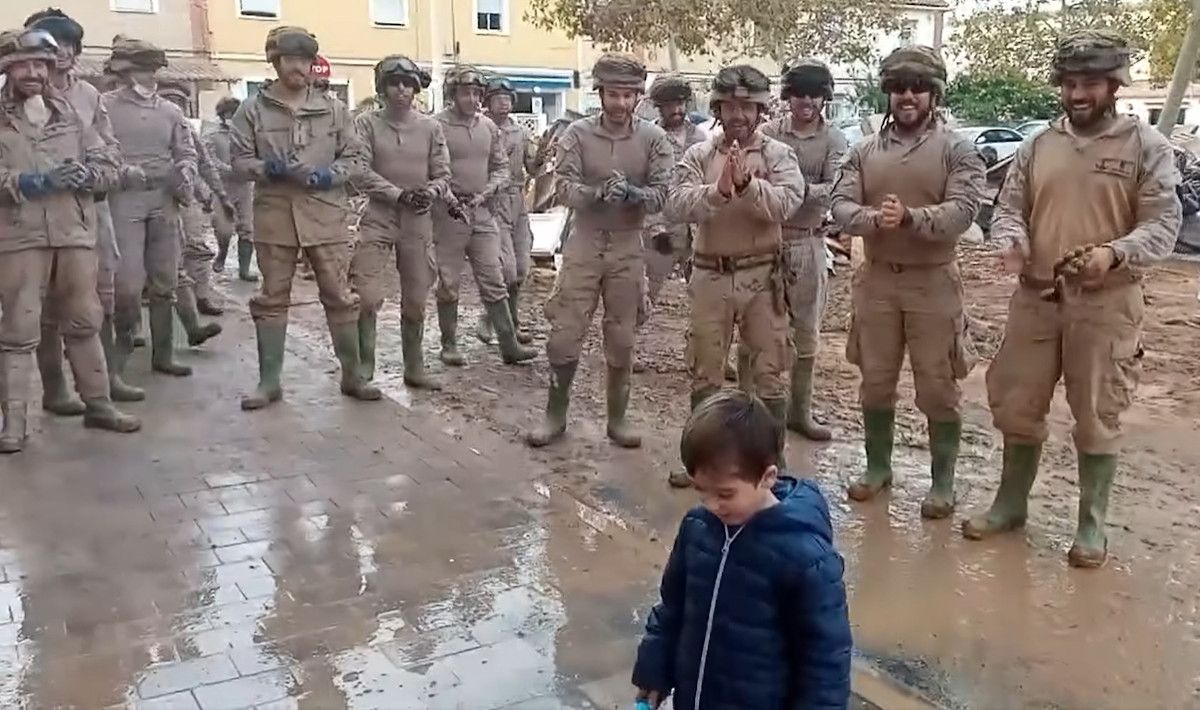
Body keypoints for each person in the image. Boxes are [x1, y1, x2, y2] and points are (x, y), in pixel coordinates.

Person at [963, 30, 1181, 568]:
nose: (1078, 94)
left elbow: (1163, 224)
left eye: (1091, 84)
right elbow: (1010, 207)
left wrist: (1114, 253)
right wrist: (1010, 241)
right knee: (1016, 405)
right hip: (1037, 298)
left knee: (1096, 412)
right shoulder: (1040, 144)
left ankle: (1091, 524)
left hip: (1105, 305)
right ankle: (1011, 505)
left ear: (1115, 86)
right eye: (1070, 84)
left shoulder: (1146, 146)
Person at [830, 46, 985, 519]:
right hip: (876, 281)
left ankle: (943, 482)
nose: (907, 95)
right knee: (875, 383)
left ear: (933, 93)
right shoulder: (864, 150)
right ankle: (879, 468)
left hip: (932, 284)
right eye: (898, 87)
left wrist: (912, 218)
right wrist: (875, 219)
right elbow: (839, 206)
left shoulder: (956, 149)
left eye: (917, 86)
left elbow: (965, 211)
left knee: (937, 386)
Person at [631, 390, 851, 709]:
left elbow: (826, 660)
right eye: (701, 492)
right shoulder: (697, 527)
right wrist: (654, 671)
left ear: (767, 477)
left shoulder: (806, 557)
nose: (712, 505)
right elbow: (673, 607)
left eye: (725, 493)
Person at [0, 27, 141, 452]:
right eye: (22, 65)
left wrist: (91, 174)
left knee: (84, 320)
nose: (33, 73)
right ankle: (14, 423)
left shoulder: (72, 116)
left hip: (75, 232)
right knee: (19, 327)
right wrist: (30, 181)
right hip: (18, 236)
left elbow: (110, 160)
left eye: (40, 64)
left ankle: (98, 404)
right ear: (7, 69)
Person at [665, 65, 805, 486]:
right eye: (730, 105)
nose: (739, 114)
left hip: (762, 276)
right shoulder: (698, 156)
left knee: (769, 370)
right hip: (710, 274)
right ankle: (701, 462)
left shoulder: (779, 155)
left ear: (761, 109)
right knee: (706, 369)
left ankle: (770, 464)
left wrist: (748, 186)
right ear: (718, 108)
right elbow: (676, 203)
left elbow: (787, 204)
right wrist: (719, 191)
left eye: (748, 106)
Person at [525, 53, 673, 449]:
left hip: (628, 244)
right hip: (584, 243)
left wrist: (633, 194)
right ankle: (555, 414)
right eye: (613, 94)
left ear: (638, 97)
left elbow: (663, 194)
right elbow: (561, 187)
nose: (621, 103)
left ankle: (618, 419)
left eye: (629, 95)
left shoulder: (653, 139)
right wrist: (595, 193)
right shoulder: (576, 134)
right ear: (600, 94)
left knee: (622, 336)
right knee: (565, 331)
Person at [229, 26, 380, 410]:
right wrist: (269, 169)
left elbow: (356, 158)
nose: (299, 67)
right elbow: (238, 161)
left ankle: (352, 375)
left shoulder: (333, 110)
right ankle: (269, 381)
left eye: (305, 60)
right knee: (271, 297)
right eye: (291, 59)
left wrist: (327, 175)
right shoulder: (252, 110)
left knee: (339, 295)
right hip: (275, 215)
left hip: (325, 215)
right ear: (275, 62)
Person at [758, 58, 847, 442]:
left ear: (824, 98)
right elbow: (755, 179)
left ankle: (800, 411)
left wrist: (793, 190)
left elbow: (838, 187)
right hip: (763, 237)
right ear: (788, 97)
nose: (806, 102)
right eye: (799, 94)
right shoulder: (768, 133)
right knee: (757, 325)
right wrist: (799, 190)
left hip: (808, 240)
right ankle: (755, 412)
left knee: (806, 329)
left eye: (813, 94)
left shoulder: (834, 139)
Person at [103, 35, 199, 384]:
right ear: (123, 71)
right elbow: (95, 151)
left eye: (153, 70)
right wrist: (121, 173)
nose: (148, 77)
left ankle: (164, 355)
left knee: (165, 283)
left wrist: (186, 170)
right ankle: (118, 358)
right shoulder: (104, 107)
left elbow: (186, 152)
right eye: (142, 70)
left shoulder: (171, 111)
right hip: (124, 197)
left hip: (164, 200)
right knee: (126, 285)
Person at [350, 55, 447, 390]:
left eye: (408, 84)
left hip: (417, 220)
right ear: (382, 88)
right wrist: (396, 194)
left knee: (417, 296)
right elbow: (359, 170)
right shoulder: (366, 124)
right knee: (365, 294)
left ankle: (415, 367)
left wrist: (430, 192)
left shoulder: (431, 127)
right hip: (378, 216)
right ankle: (364, 366)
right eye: (394, 83)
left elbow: (442, 174)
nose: (402, 90)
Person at [432, 64, 535, 367]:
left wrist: (486, 193)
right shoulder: (435, 126)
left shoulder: (488, 128)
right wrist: (450, 197)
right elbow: (431, 170)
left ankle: (508, 343)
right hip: (447, 214)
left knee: (495, 276)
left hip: (482, 211)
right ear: (453, 94)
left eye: (477, 93)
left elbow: (501, 167)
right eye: (466, 92)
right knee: (449, 281)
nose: (473, 99)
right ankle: (449, 344)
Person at [633, 74, 706, 374]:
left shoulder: (700, 139)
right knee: (646, 291)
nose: (675, 109)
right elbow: (643, 185)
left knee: (705, 296)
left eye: (679, 103)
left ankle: (702, 355)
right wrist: (653, 226)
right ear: (659, 108)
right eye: (668, 104)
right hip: (661, 227)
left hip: (695, 229)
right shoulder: (649, 139)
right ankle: (627, 346)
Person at [156, 80, 226, 351]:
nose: (175, 106)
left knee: (194, 250)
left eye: (179, 102)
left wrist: (215, 193)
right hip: (148, 200)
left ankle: (199, 305)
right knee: (143, 268)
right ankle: (132, 330)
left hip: (184, 199)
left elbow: (202, 163)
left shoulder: (186, 130)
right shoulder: (148, 123)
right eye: (169, 99)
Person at [477, 74, 537, 346]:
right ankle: (491, 318)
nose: (503, 103)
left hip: (517, 200)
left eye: (507, 98)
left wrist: (543, 156)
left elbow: (532, 168)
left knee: (522, 269)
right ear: (487, 101)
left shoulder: (520, 132)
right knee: (507, 269)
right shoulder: (481, 128)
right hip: (493, 200)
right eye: (497, 98)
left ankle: (512, 323)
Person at [205, 96, 257, 282]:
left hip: (244, 188)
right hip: (222, 189)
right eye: (229, 114)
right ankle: (222, 253)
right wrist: (230, 169)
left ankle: (244, 270)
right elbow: (209, 161)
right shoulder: (212, 136)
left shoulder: (248, 135)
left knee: (247, 228)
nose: (233, 117)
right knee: (224, 229)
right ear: (222, 115)